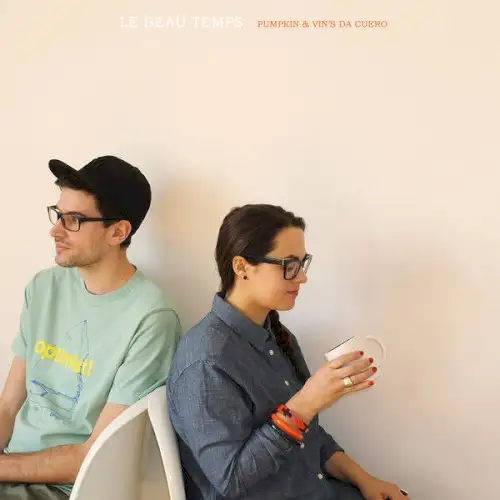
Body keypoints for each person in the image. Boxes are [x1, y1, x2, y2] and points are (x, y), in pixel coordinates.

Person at [167, 204, 408, 500]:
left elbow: (311, 439)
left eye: (302, 264)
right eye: (289, 265)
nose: (302, 277)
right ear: (242, 267)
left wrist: (365, 480)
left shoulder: (276, 336)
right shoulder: (205, 363)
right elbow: (230, 480)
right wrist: (306, 403)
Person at [0, 155, 181, 499]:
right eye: (58, 215)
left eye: (74, 220)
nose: (55, 230)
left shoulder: (151, 319)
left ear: (118, 232)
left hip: (66, 489)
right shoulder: (43, 288)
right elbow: (8, 405)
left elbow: (93, 456)